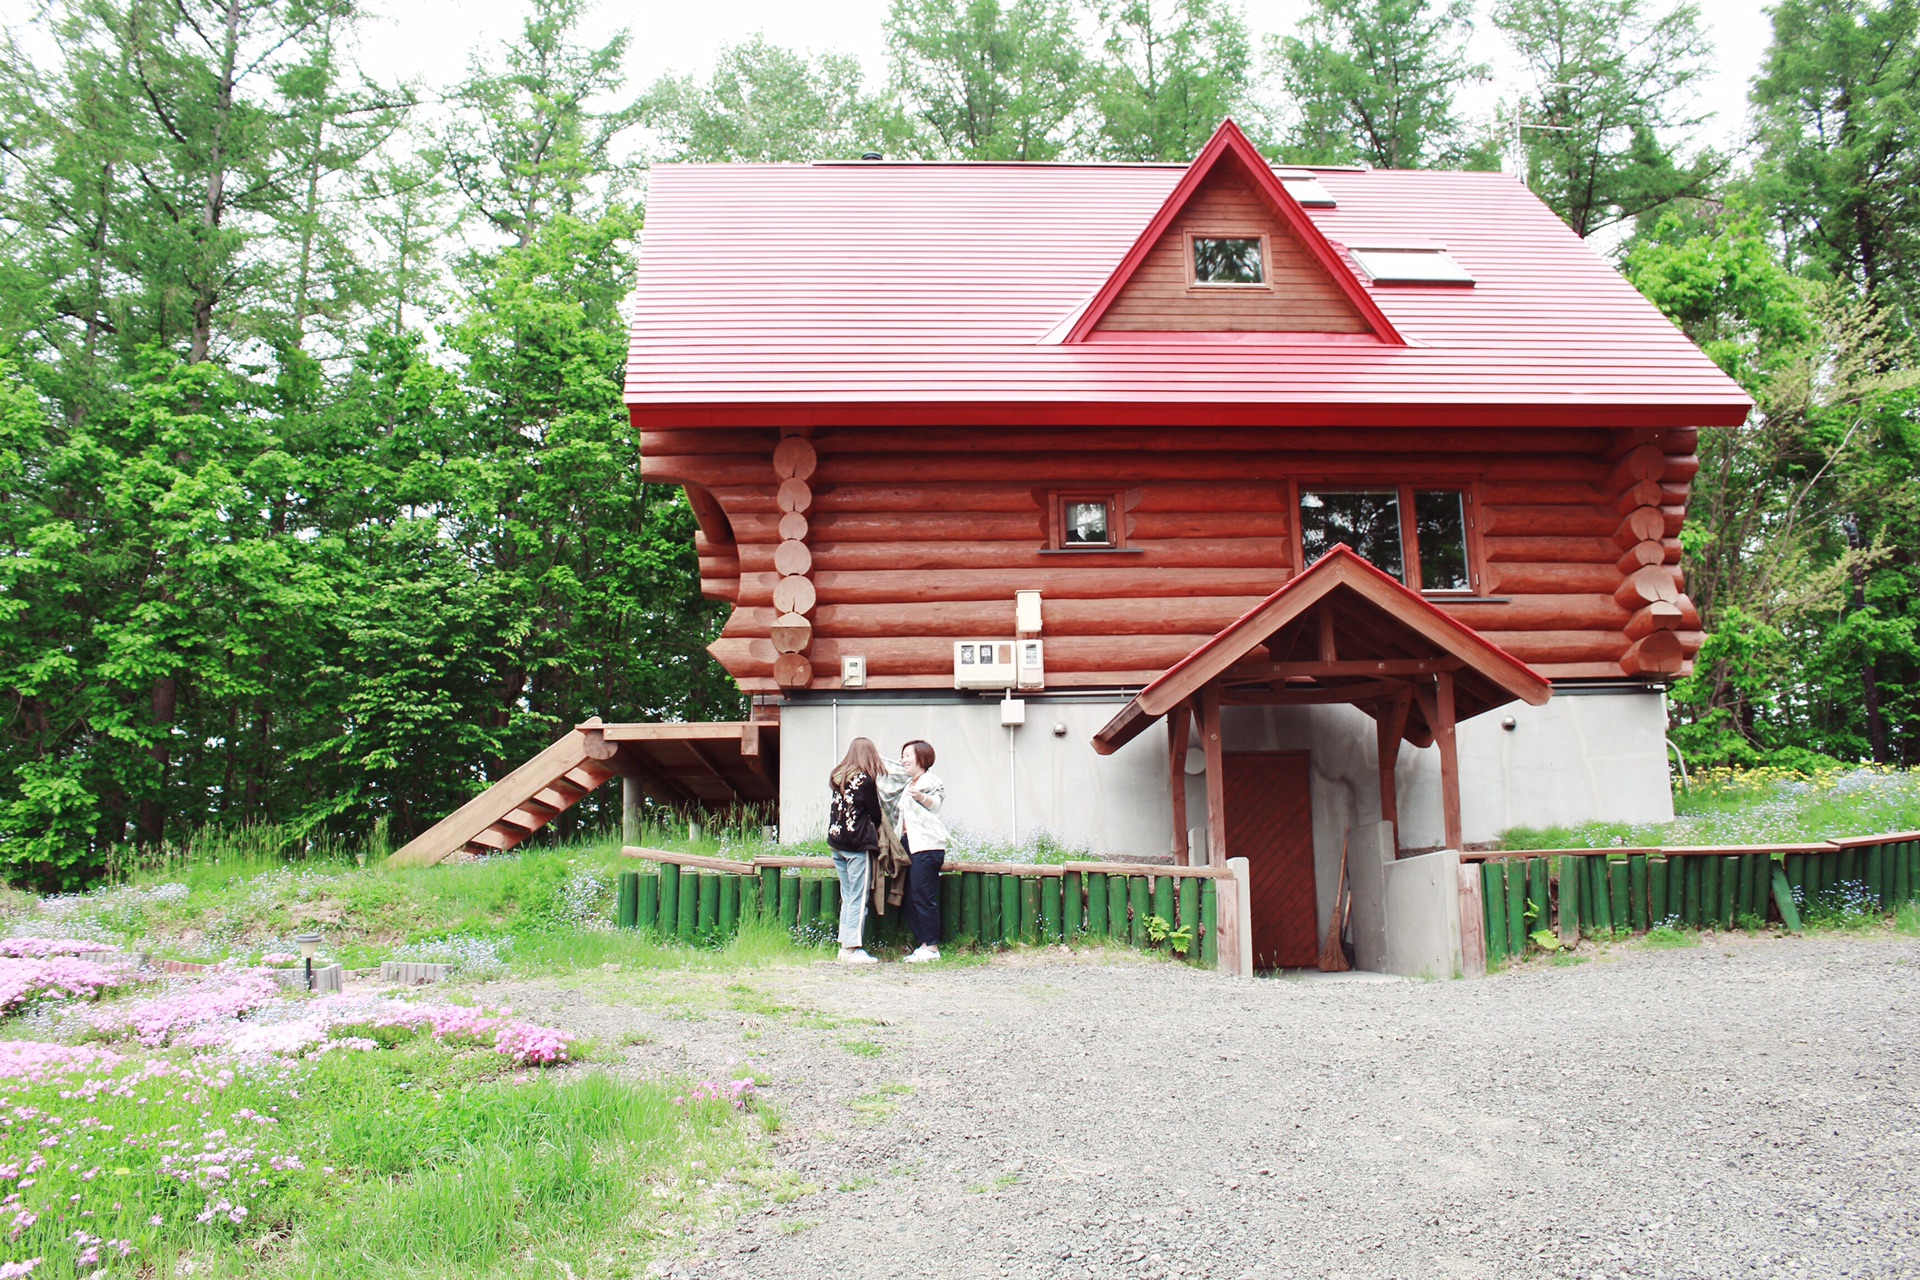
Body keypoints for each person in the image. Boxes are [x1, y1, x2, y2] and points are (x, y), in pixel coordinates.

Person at [826, 738, 884, 965]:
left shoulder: (837, 777)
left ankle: (844, 946)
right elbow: (875, 813)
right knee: (859, 898)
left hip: (837, 844)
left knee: (848, 896)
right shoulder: (865, 780)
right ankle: (853, 948)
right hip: (857, 845)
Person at [891, 739, 948, 963]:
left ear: (921, 758)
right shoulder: (908, 784)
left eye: (908, 755)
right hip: (911, 844)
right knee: (911, 895)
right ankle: (924, 944)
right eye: (902, 755)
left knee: (924, 895)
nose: (903, 759)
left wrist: (921, 797)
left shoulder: (930, 780)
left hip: (927, 846)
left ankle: (932, 947)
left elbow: (935, 803)